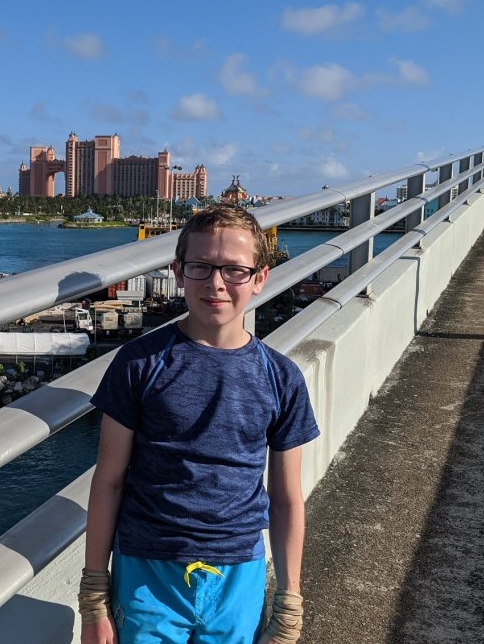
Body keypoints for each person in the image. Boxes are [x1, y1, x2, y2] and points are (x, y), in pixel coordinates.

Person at [79, 205, 320, 644]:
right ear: (178, 271)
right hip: (146, 570)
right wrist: (94, 598)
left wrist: (289, 607)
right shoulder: (138, 363)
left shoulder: (282, 378)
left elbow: (287, 500)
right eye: (201, 267)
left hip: (239, 572)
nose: (215, 284)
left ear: (260, 277)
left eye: (234, 270)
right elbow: (109, 481)